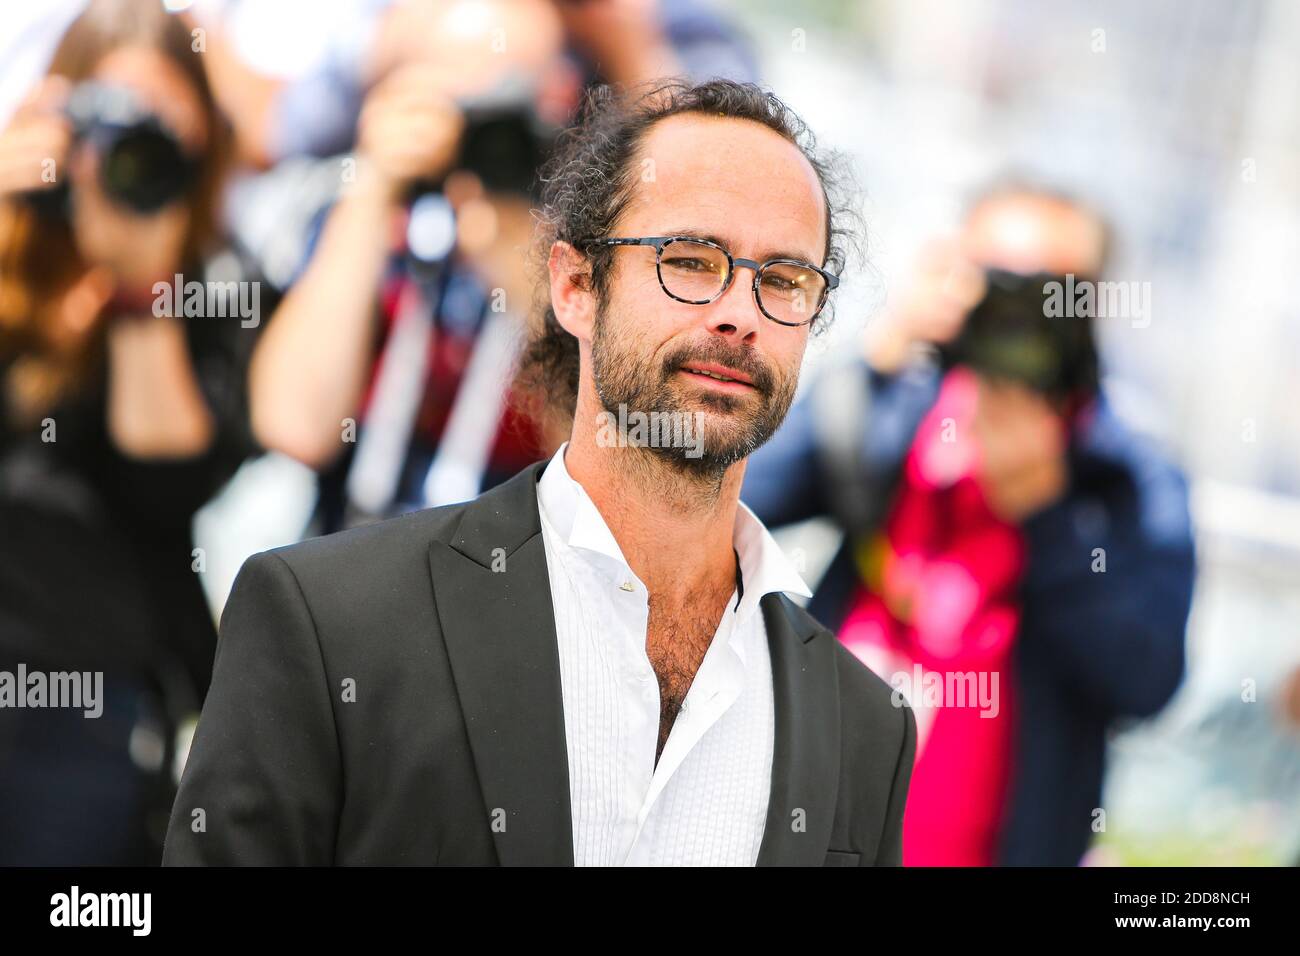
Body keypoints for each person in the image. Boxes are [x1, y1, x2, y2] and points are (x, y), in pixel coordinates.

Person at [163, 78, 917, 867]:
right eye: (690, 261)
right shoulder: (328, 624)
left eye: (784, 280)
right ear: (574, 286)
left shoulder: (866, 728)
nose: (741, 313)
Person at [742, 185, 1196, 865]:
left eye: (1047, 293)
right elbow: (734, 495)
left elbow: (1147, 679)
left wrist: (1048, 517)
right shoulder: (897, 406)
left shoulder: (1125, 475)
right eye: (995, 282)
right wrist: (873, 360)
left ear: (1088, 309)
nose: (1016, 314)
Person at [0, 0, 256, 864]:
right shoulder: (13, 242)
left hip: (88, 699)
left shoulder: (214, 281)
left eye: (157, 130)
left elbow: (168, 474)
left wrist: (142, 282)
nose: (128, 152)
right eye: (110, 120)